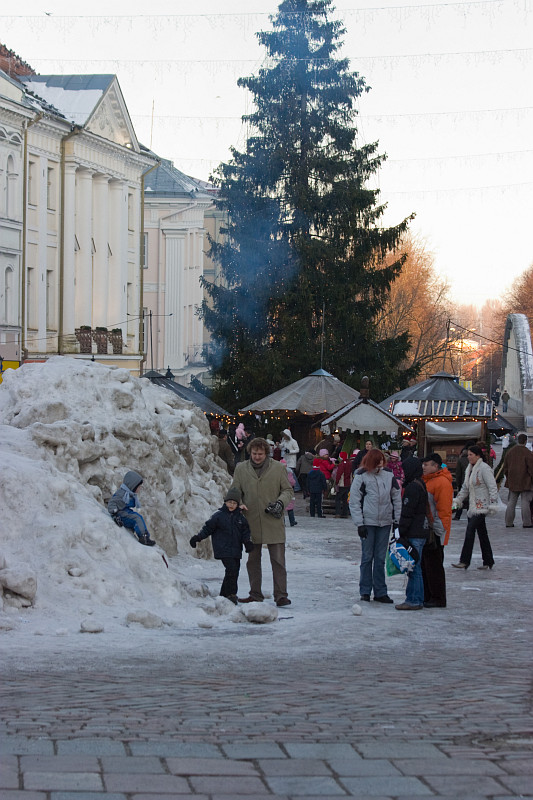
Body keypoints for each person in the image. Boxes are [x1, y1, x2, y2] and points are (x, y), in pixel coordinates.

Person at [232, 437, 294, 607]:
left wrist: (280, 503)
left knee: (278, 560)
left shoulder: (278, 468)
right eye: (254, 453)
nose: (257, 457)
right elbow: (234, 490)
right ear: (250, 453)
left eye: (260, 454)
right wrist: (238, 503)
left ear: (266, 453)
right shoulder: (241, 469)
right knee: (252, 560)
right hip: (250, 520)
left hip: (273, 519)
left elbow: (287, 490)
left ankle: (281, 595)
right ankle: (255, 593)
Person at [349, 448, 402, 604]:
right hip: (368, 522)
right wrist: (359, 523)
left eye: (382, 460)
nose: (380, 463)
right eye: (377, 460)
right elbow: (354, 501)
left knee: (380, 558)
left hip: (385, 522)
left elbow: (396, 498)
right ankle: (365, 591)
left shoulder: (389, 475)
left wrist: (397, 521)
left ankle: (380, 592)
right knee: (367, 557)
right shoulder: (361, 476)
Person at [189, 488, 254, 604]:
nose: (231, 505)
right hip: (222, 548)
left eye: (234, 503)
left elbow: (245, 532)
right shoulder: (218, 516)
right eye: (229, 502)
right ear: (225, 502)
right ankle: (231, 594)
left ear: (238, 504)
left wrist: (247, 542)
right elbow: (208, 528)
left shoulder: (240, 518)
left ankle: (223, 595)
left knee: (234, 571)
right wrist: (197, 538)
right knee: (231, 569)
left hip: (236, 550)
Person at [452, 445, 499, 570]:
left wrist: (493, 503)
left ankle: (464, 560)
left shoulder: (484, 468)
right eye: (468, 455)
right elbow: (465, 487)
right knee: (482, 533)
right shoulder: (470, 469)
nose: (468, 457)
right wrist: (458, 499)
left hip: (482, 506)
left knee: (470, 531)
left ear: (478, 456)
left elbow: (492, 487)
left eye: (471, 455)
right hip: (473, 506)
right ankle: (488, 560)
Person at [395, 457, 429, 610]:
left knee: (413, 568)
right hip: (421, 530)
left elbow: (407, 512)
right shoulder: (421, 484)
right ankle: (417, 598)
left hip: (414, 531)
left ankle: (413, 600)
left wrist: (400, 531)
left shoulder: (412, 488)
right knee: (417, 567)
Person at [421, 453, 453, 608]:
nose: (424, 467)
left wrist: (439, 531)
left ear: (435, 466)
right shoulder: (429, 480)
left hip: (436, 531)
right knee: (427, 565)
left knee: (434, 566)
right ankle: (429, 595)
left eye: (427, 464)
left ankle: (438, 597)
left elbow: (444, 510)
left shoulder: (441, 482)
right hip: (429, 529)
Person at [107, 470, 156, 546]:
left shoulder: (128, 493)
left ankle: (141, 533)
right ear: (132, 485)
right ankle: (143, 537)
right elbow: (111, 503)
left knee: (136, 517)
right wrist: (115, 515)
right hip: (120, 513)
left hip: (124, 511)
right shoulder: (122, 494)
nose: (140, 488)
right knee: (137, 518)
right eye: (138, 487)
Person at [503, 432, 533, 528]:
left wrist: (508, 476)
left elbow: (505, 467)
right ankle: (527, 523)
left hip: (513, 480)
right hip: (525, 481)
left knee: (511, 502)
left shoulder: (510, 452)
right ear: (525, 441)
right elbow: (531, 468)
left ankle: (508, 522)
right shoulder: (527, 453)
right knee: (525, 502)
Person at [334, 451, 352, 518]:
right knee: (345, 499)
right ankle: (345, 513)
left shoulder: (341, 464)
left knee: (338, 499)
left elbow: (339, 474)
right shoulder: (350, 463)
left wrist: (336, 483)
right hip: (348, 483)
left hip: (342, 484)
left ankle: (338, 513)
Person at [280, 459, 298, 526]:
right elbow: (292, 482)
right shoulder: (289, 472)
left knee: (281, 508)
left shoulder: (278, 472)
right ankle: (292, 521)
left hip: (280, 491)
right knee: (290, 508)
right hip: (289, 491)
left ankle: (282, 522)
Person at [453, 447, 469, 520]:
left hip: (463, 483)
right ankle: (470, 516)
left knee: (460, 500)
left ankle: (457, 516)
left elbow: (458, 473)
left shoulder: (460, 460)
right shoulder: (471, 460)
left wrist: (458, 483)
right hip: (470, 483)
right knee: (469, 501)